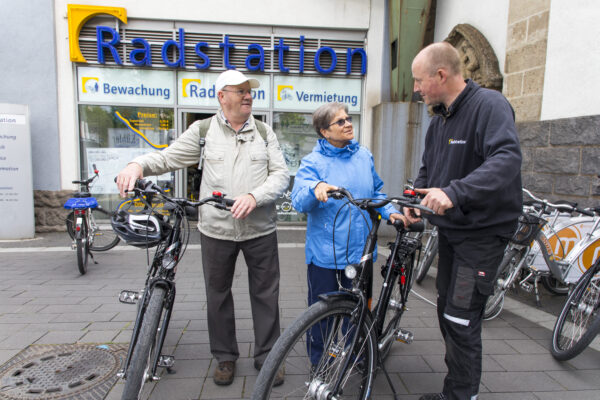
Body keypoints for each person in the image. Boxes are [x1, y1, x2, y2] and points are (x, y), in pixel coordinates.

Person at [115, 69, 289, 386]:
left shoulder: (265, 133)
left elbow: (280, 176)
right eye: (240, 91)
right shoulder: (203, 131)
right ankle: (224, 357)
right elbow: (167, 158)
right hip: (216, 231)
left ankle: (269, 357)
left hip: (260, 230)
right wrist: (137, 164)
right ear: (222, 97)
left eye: (249, 90)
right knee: (217, 294)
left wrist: (255, 195)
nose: (248, 95)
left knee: (266, 295)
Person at [406, 42, 522, 400]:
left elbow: (506, 158)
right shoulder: (439, 120)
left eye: (418, 80)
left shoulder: (489, 105)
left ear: (441, 75)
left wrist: (455, 192)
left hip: (481, 236)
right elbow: (429, 172)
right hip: (452, 234)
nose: (416, 88)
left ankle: (461, 396)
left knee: (460, 316)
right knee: (446, 312)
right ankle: (454, 391)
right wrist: (416, 200)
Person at [291, 102, 403, 365]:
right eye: (339, 121)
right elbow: (298, 201)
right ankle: (320, 367)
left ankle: (359, 357)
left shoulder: (364, 156)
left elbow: (376, 193)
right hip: (326, 257)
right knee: (321, 318)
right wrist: (315, 188)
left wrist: (392, 212)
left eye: (348, 118)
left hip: (360, 254)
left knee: (359, 312)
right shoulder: (313, 163)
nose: (348, 123)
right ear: (324, 131)